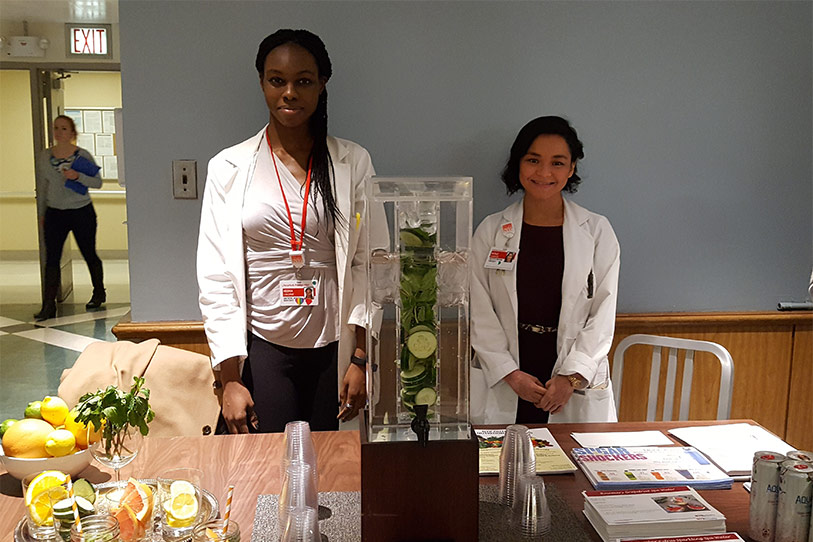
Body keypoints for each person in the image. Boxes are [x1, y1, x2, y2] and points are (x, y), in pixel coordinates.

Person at [197, 29, 386, 434]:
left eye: (303, 81)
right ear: (262, 83)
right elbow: (215, 279)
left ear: (322, 85)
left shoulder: (352, 161)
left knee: (333, 468)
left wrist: (360, 358)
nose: (289, 92)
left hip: (335, 347)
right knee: (269, 467)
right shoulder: (229, 168)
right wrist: (229, 378)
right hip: (263, 344)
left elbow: (372, 263)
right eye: (276, 80)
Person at [470, 116, 620, 424]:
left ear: (572, 168)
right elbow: (478, 310)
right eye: (533, 160)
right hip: (510, 375)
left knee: (572, 467)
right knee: (500, 466)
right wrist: (510, 374)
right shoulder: (491, 230)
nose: (544, 173)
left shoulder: (596, 231)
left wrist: (571, 377)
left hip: (570, 380)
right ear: (519, 164)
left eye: (557, 162)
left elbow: (603, 314)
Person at [34, 115, 105, 321]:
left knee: (89, 253)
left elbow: (97, 182)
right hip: (55, 212)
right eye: (56, 128)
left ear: (72, 133)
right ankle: (48, 305)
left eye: (64, 128)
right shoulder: (44, 157)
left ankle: (98, 292)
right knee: (52, 258)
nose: (59, 132)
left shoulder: (82, 156)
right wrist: (41, 213)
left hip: (81, 211)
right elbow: (43, 187)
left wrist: (78, 176)